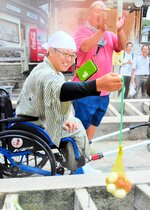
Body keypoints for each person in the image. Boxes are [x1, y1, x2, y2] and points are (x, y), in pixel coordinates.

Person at [16, 30, 122, 174]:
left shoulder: (52, 70)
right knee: (77, 130)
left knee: (74, 122)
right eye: (65, 54)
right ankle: (81, 166)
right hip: (34, 122)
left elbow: (54, 98)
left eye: (72, 55)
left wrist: (66, 118)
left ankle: (79, 159)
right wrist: (97, 85)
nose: (69, 59)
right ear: (51, 51)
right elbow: (61, 90)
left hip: (34, 117)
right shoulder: (46, 73)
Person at [72, 1, 127, 146]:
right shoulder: (81, 31)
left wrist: (119, 30)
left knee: (94, 124)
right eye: (98, 10)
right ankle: (77, 162)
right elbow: (84, 47)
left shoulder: (109, 34)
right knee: (80, 128)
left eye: (104, 11)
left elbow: (121, 46)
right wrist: (101, 30)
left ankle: (85, 156)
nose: (101, 13)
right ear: (90, 12)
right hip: (86, 91)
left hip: (104, 92)